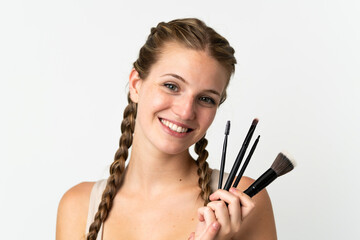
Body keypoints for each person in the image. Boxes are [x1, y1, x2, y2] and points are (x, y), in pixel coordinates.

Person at [56, 18, 277, 240]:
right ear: (136, 84)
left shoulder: (241, 202)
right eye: (171, 86)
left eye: (205, 99)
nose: (185, 111)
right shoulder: (78, 206)